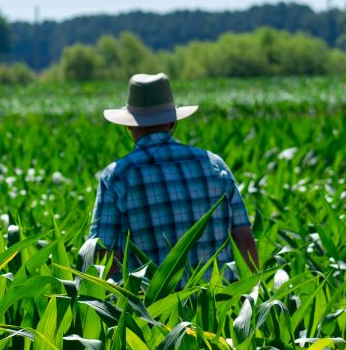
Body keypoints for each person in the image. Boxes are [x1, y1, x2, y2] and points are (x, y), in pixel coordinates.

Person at [88, 73, 258, 282]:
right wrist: (252, 297)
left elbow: (102, 254)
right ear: (172, 121)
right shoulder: (214, 165)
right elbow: (245, 241)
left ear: (130, 126)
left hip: (150, 311)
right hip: (221, 307)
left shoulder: (118, 176)